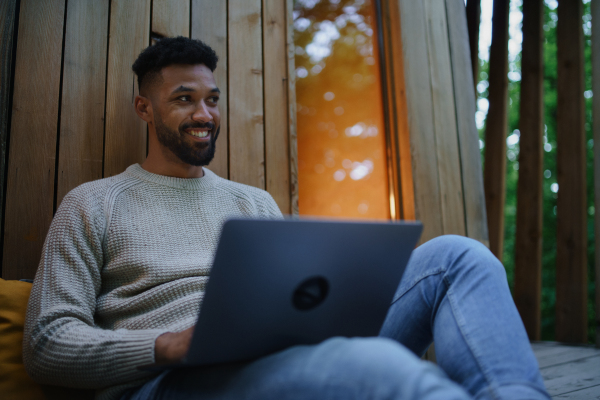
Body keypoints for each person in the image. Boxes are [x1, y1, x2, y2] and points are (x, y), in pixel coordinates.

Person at [23, 36, 549, 400]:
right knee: (380, 370)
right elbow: (45, 344)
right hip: (170, 384)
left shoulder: (252, 202)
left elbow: (296, 299)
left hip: (280, 357)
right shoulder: (94, 203)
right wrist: (166, 344)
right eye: (184, 100)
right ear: (145, 108)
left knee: (458, 256)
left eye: (212, 99)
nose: (204, 115)